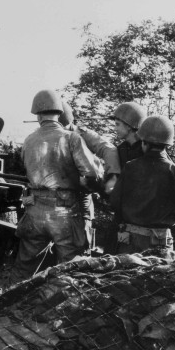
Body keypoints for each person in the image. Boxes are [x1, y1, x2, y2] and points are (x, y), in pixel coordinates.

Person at [10, 90, 102, 284]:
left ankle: (8, 305)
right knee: (69, 268)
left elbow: (22, 169)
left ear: (37, 115)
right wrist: (84, 187)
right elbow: (92, 174)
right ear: (59, 113)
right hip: (65, 211)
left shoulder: (28, 140)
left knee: (25, 265)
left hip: (34, 210)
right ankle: (63, 310)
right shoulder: (71, 138)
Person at [109, 115, 175, 254]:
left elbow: (114, 203)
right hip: (160, 242)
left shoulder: (130, 167)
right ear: (167, 144)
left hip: (129, 241)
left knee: (126, 275)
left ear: (143, 142)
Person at [58, 101, 120, 250]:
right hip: (56, 199)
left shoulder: (82, 134)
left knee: (81, 243)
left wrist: (113, 177)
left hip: (80, 197)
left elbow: (109, 150)